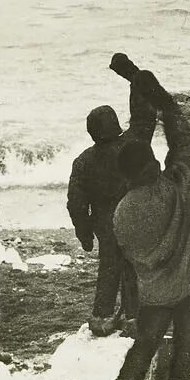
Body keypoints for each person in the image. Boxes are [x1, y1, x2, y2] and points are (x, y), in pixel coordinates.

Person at [103, 65, 190, 380]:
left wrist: (139, 93)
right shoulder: (176, 187)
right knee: (187, 345)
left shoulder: (122, 211)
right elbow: (184, 143)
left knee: (143, 347)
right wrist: (165, 103)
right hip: (189, 286)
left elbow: (126, 256)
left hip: (152, 290)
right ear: (152, 165)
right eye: (155, 161)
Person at [67, 54, 158, 333]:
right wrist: (134, 77)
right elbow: (145, 115)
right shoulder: (133, 144)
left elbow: (76, 204)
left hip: (106, 224)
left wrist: (84, 234)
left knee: (109, 268)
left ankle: (102, 318)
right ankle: (133, 318)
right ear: (116, 126)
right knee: (134, 269)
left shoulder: (83, 161)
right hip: (137, 218)